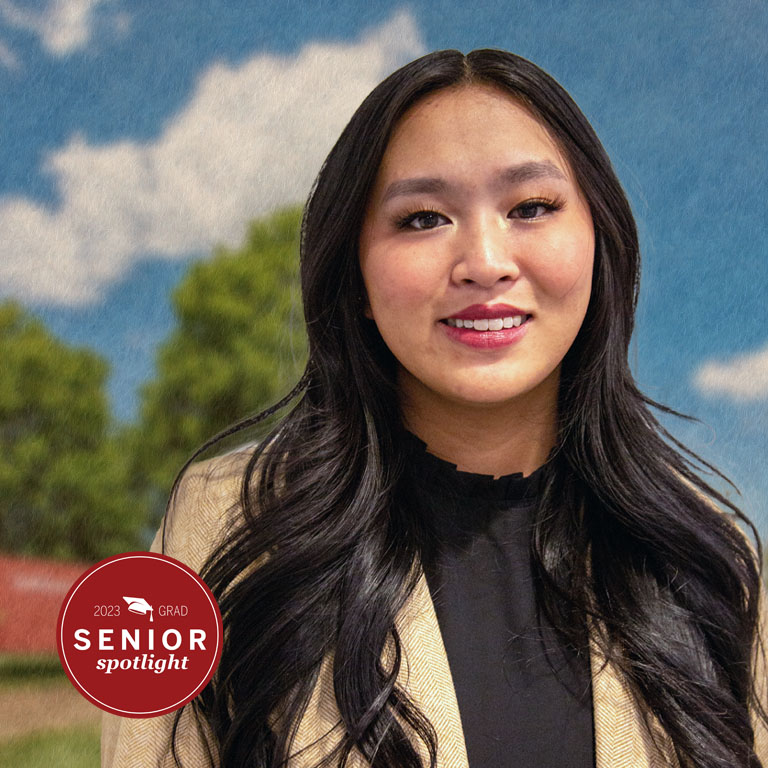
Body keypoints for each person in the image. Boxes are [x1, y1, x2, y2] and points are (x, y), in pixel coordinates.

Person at [102, 48, 768, 768]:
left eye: (531, 208)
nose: (484, 263)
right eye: (422, 218)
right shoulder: (219, 524)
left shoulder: (709, 558)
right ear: (354, 274)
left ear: (599, 243)